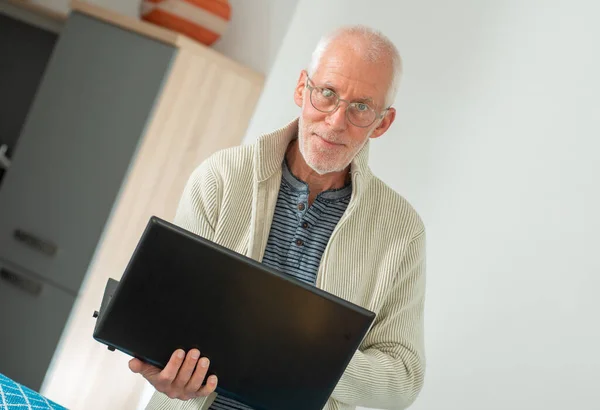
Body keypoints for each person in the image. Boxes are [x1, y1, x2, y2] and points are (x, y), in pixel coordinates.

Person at [133, 24, 426, 410]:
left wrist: (308, 351)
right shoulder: (220, 177)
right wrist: (162, 366)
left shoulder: (402, 232)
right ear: (302, 89)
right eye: (327, 94)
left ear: (382, 123)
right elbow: (166, 313)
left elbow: (403, 378)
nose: (336, 121)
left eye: (360, 107)